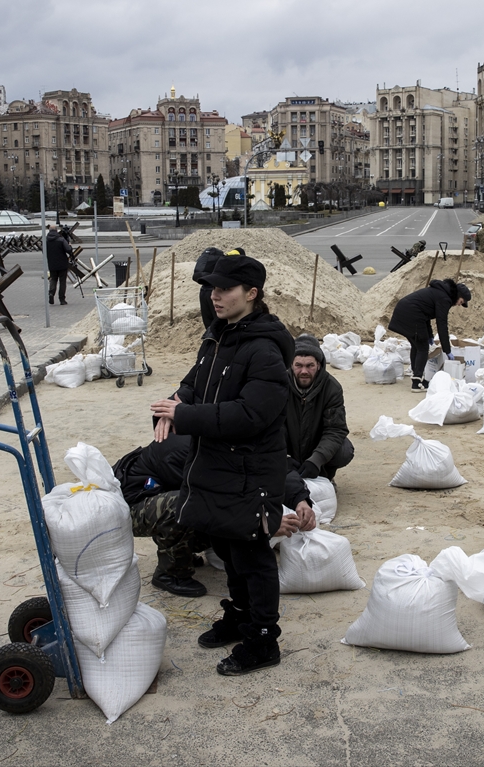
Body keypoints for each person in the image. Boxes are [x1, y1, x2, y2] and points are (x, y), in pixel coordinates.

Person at [150, 252, 294, 676]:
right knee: (229, 552)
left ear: (251, 294)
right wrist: (173, 404)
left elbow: (251, 415)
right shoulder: (219, 335)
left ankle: (264, 638)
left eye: (225, 288)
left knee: (252, 556)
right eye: (212, 288)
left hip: (249, 472)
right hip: (217, 466)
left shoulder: (264, 349)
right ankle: (240, 616)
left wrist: (186, 417)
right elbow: (197, 384)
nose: (215, 296)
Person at [112, 434, 209, 597]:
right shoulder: (186, 453)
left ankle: (184, 554)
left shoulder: (199, 444)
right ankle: (170, 575)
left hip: (151, 497)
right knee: (182, 504)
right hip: (128, 510)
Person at [286, 334, 355, 486]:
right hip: (287, 448)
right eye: (299, 365)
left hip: (315, 447)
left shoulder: (331, 388)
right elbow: (271, 427)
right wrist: (284, 456)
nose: (304, 371)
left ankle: (325, 475)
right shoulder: (278, 385)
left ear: (319, 364)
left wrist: (316, 460)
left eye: (310, 365)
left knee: (344, 450)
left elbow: (335, 430)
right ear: (291, 364)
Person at [387, 278, 472, 393]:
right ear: (458, 295)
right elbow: (442, 324)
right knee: (423, 348)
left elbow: (426, 313)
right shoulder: (445, 299)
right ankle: (417, 383)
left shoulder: (439, 292)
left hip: (405, 310)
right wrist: (447, 350)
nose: (458, 304)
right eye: (461, 302)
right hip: (411, 314)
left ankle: (416, 375)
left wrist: (430, 335)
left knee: (417, 345)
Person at [192, 246, 226, 330]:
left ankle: (210, 337)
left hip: (203, 289)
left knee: (208, 319)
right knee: (218, 319)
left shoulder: (205, 258)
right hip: (213, 289)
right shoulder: (220, 258)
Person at [45, 225, 73, 305]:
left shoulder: (46, 241)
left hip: (52, 263)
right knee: (62, 281)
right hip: (62, 263)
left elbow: (44, 251)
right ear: (56, 231)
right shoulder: (61, 239)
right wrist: (70, 246)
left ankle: (51, 293)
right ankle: (62, 299)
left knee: (53, 279)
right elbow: (68, 250)